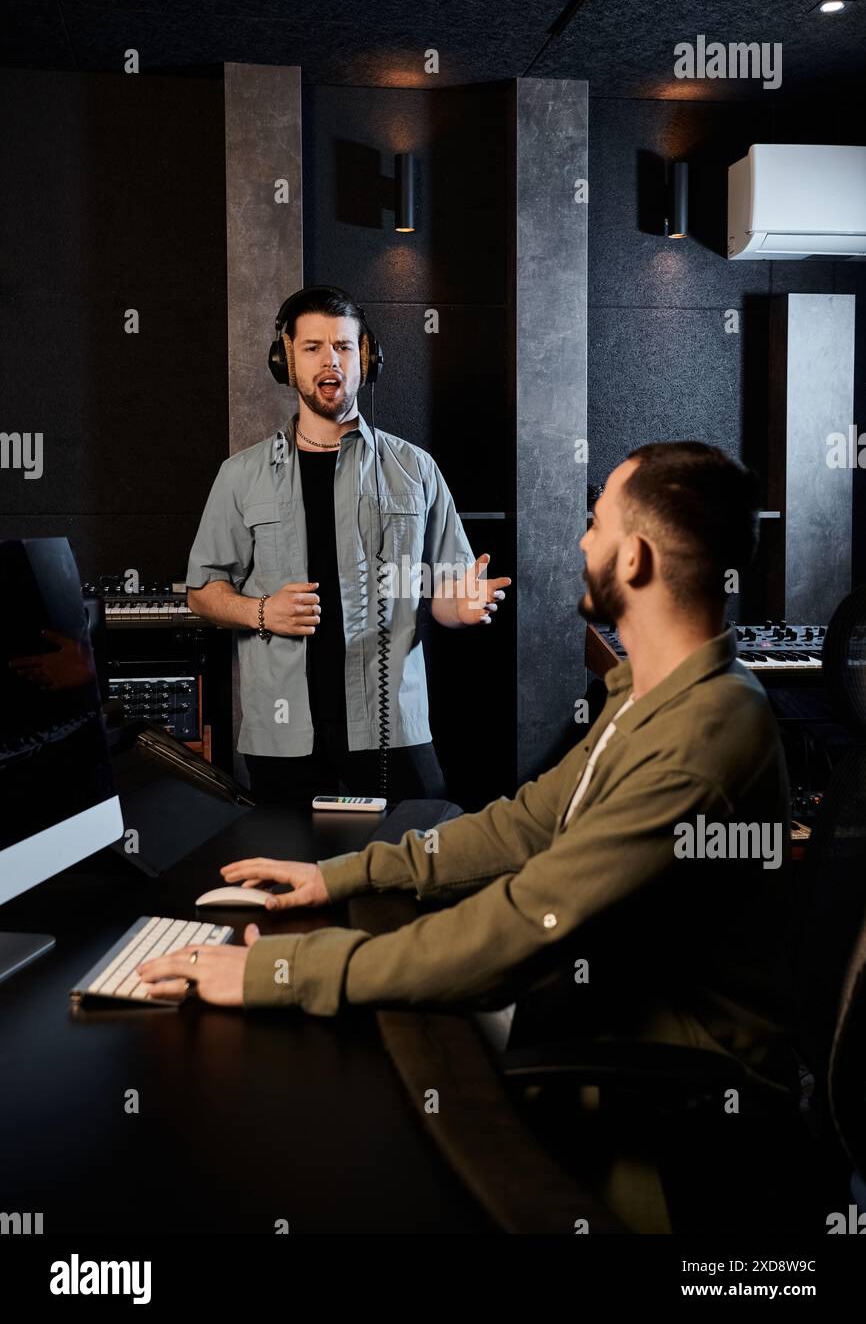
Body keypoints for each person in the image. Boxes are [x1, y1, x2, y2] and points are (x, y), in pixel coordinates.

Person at [139, 441, 799, 1231]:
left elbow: (527, 921)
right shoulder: (651, 695)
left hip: (663, 1075)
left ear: (637, 558)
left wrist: (282, 971)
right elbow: (525, 825)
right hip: (597, 1006)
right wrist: (342, 878)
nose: (583, 541)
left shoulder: (700, 741)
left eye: (595, 525)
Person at [184, 285, 510, 804]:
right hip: (283, 729)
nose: (329, 360)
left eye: (342, 346)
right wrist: (263, 611)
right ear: (285, 358)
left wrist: (465, 607)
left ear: (365, 358)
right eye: (312, 347)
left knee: (423, 852)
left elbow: (445, 593)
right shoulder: (240, 476)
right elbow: (202, 591)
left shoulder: (416, 469)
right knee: (289, 873)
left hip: (391, 722)